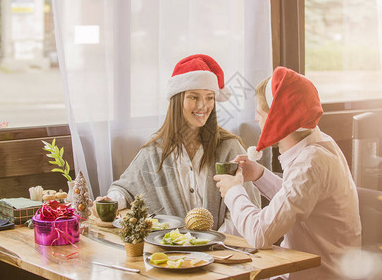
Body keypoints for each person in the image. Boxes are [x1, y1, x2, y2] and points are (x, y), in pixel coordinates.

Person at [214, 66, 361, 279]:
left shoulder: (310, 163)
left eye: (260, 112)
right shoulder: (319, 145)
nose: (256, 118)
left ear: (278, 120)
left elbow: (259, 234)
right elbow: (297, 201)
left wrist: (233, 191)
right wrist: (259, 175)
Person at [101, 54, 260, 234]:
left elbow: (246, 206)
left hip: (224, 249)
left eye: (209, 97)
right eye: (194, 97)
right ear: (177, 100)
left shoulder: (229, 148)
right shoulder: (156, 150)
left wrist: (215, 240)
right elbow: (125, 189)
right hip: (171, 252)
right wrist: (111, 201)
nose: (203, 105)